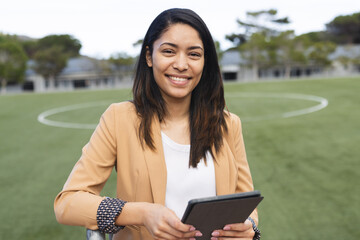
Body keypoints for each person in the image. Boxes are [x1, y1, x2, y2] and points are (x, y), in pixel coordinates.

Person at [54, 8, 260, 240]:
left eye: (194, 54)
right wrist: (140, 213)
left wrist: (249, 226)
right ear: (150, 56)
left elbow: (246, 201)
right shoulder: (119, 118)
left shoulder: (228, 124)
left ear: (205, 62)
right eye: (169, 51)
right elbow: (68, 202)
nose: (182, 64)